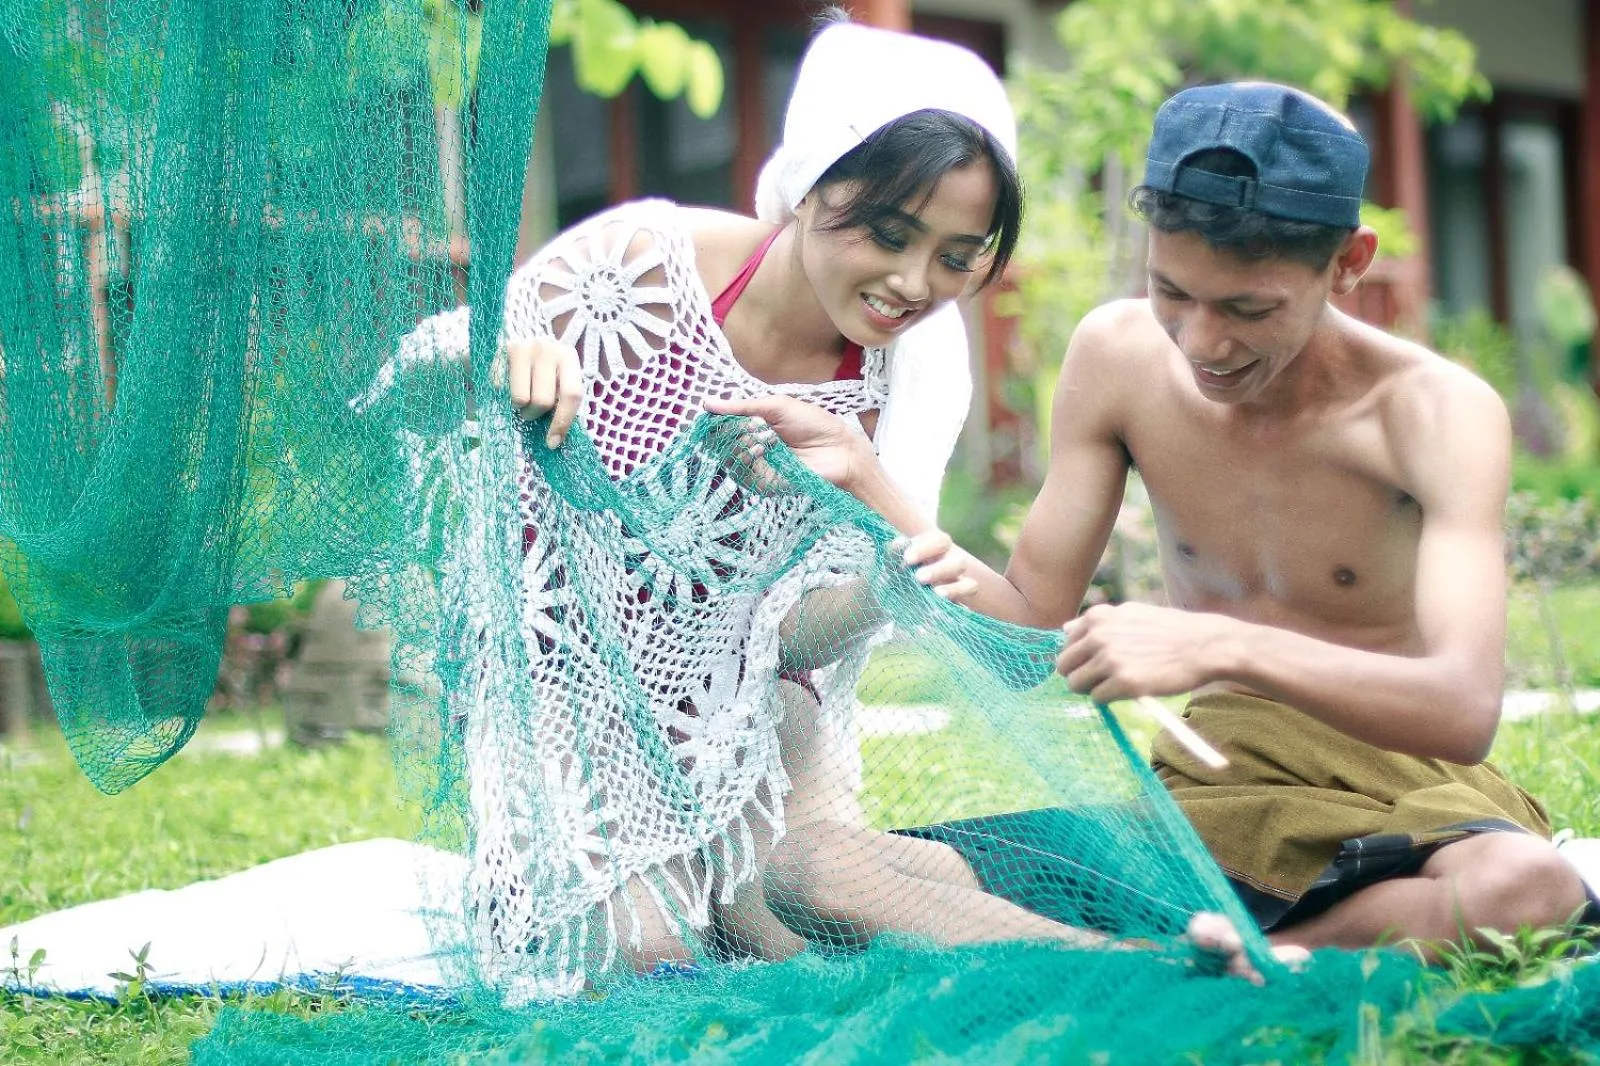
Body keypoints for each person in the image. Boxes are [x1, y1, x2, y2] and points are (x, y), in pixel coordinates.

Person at [486, 21, 1282, 990]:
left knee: (793, 935)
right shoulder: (639, 265)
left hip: (751, 706)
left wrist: (881, 575)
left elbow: (798, 642)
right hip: (571, 695)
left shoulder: (912, 369)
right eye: (888, 233)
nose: (914, 284)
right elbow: (440, 399)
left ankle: (1135, 967)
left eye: (958, 256)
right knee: (650, 960)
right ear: (815, 183)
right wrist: (505, 362)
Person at [731, 81, 1592, 959]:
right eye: (1172, 291)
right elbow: (1026, 626)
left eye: (1249, 309)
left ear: (1348, 262)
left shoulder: (1435, 414)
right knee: (814, 872)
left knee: (1527, 888)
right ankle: (1156, 968)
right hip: (1207, 808)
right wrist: (867, 478)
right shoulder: (1119, 357)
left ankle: (1233, 962)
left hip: (1406, 798)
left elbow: (1462, 708)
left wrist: (1221, 646)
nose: (1202, 342)